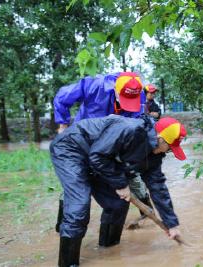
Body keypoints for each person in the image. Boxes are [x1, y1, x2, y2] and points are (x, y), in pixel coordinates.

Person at [50, 115, 186, 266]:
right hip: (72, 149)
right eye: (169, 148)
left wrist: (171, 223)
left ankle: (108, 250)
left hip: (100, 160)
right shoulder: (130, 130)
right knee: (79, 207)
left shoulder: (155, 155)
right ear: (160, 139)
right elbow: (98, 156)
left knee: (118, 205)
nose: (167, 152)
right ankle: (68, 264)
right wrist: (121, 184)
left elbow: (158, 186)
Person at [53, 72, 152, 235]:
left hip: (112, 146)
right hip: (83, 142)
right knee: (75, 184)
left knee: (131, 178)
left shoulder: (138, 94)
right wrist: (63, 126)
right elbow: (62, 97)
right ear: (116, 91)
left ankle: (144, 214)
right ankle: (62, 226)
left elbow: (136, 123)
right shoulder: (94, 86)